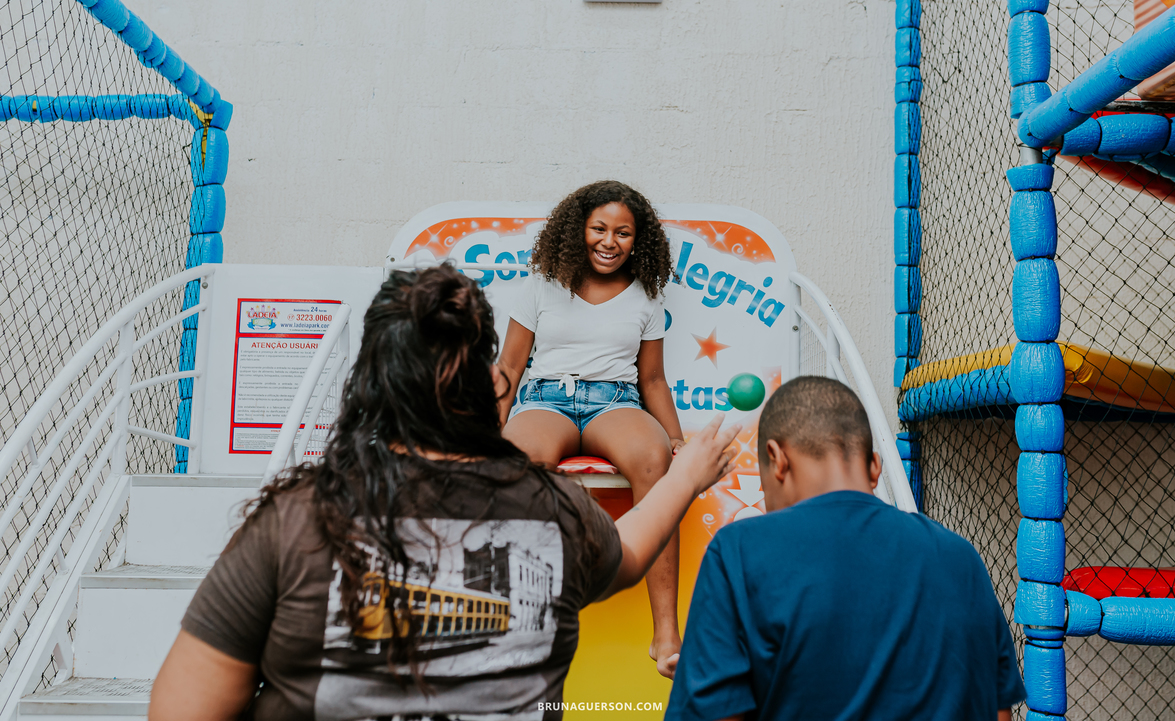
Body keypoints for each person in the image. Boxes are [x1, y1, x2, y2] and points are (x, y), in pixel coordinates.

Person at [148, 265, 740, 721]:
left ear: (372, 382)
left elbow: (184, 709)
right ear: (490, 381)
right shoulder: (553, 512)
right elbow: (630, 552)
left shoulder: (295, 518)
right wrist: (686, 475)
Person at [666, 376, 1026, 721]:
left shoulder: (738, 552)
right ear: (874, 466)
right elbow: (995, 710)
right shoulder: (959, 557)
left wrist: (706, 674)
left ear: (777, 460)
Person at [497, 180, 687, 677]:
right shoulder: (542, 283)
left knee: (654, 462)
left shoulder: (648, 295)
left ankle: (666, 630)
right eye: (599, 228)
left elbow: (653, 380)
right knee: (517, 465)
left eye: (622, 232)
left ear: (637, 240)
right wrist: (487, 430)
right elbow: (511, 368)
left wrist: (676, 437)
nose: (609, 241)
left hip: (614, 401)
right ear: (577, 229)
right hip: (546, 399)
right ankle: (522, 625)